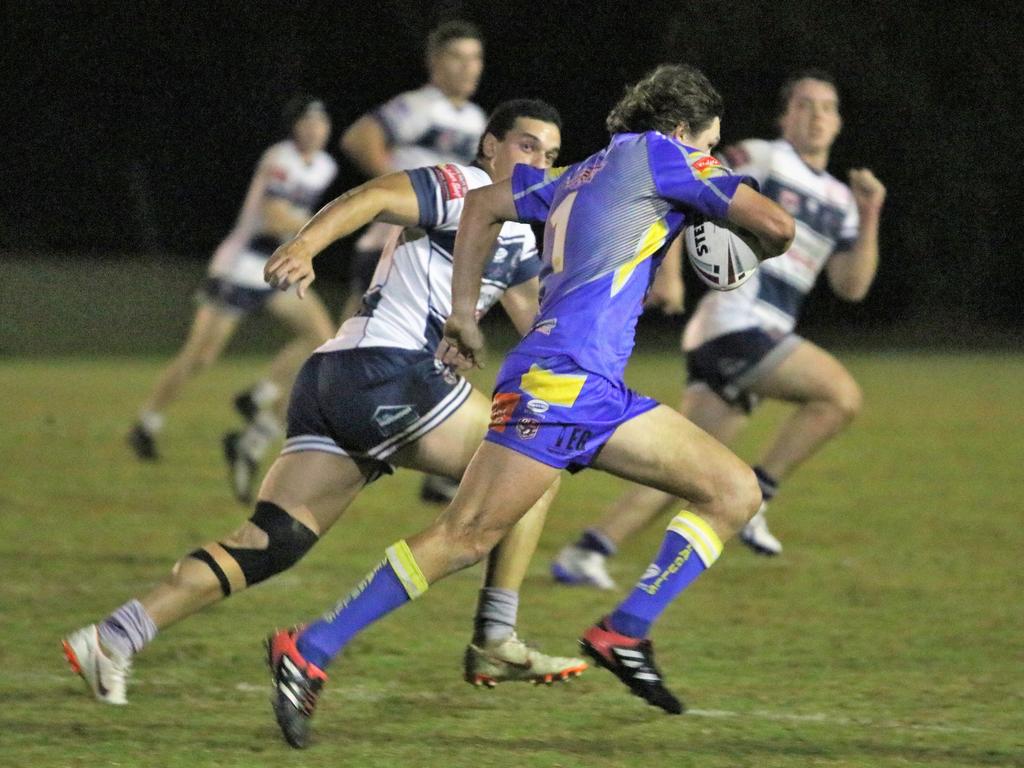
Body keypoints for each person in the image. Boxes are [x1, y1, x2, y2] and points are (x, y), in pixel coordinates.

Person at [264, 64, 795, 749]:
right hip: (561, 384)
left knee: (733, 488)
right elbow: (777, 224)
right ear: (681, 130)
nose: (708, 159)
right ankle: (310, 648)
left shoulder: (577, 174)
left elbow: (484, 206)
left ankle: (624, 630)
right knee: (466, 535)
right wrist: (747, 243)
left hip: (590, 388)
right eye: (708, 145)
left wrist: (463, 314)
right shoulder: (664, 155)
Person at [61, 99, 585, 710]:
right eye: (527, 147)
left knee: (273, 540)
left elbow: (539, 324)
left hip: (336, 379)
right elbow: (373, 197)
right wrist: (307, 244)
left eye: (550, 156)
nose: (539, 163)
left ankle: (115, 636)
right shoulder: (463, 185)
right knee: (531, 461)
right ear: (491, 146)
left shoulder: (519, 230)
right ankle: (496, 634)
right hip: (386, 369)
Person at [552, 70, 887, 589]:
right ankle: (761, 495)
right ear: (785, 115)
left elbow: (852, 286)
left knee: (681, 468)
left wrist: (869, 214)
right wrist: (668, 274)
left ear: (839, 121)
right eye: (804, 104)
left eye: (827, 107)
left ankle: (587, 550)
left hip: (758, 333)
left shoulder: (841, 199)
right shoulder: (760, 157)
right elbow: (678, 188)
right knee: (839, 395)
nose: (817, 116)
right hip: (734, 323)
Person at [126, 97, 337, 503]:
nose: (314, 129)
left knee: (322, 339)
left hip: (275, 265)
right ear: (294, 128)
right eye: (307, 122)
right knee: (200, 357)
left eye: (321, 121)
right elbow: (275, 218)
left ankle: (257, 394)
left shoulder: (324, 166)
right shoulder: (280, 158)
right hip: (239, 266)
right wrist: (330, 225)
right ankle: (146, 423)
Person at [336, 19, 487, 505]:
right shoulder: (420, 106)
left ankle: (437, 463)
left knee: (445, 347)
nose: (469, 67)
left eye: (476, 58)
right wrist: (399, 190)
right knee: (356, 351)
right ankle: (323, 435)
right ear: (434, 63)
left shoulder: (476, 118)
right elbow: (360, 137)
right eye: (458, 57)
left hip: (439, 254)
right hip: (392, 245)